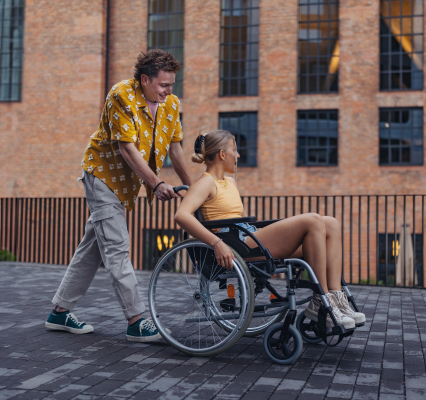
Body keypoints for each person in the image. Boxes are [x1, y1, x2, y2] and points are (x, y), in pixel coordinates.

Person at [46, 50, 192, 342]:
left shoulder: (171, 104)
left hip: (127, 182)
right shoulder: (121, 95)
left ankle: (59, 312)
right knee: (116, 246)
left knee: (92, 248)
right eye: (163, 85)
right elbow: (127, 149)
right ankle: (136, 320)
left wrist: (194, 187)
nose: (168, 91)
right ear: (145, 79)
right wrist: (155, 183)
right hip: (103, 175)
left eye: (172, 85)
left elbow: (175, 148)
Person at [174, 130, 365, 329]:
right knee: (314, 220)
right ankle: (322, 301)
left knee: (331, 223)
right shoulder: (205, 182)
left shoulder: (230, 182)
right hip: (237, 244)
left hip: (248, 236)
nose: (238, 156)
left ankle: (336, 300)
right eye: (234, 150)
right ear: (222, 155)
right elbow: (182, 215)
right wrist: (217, 243)